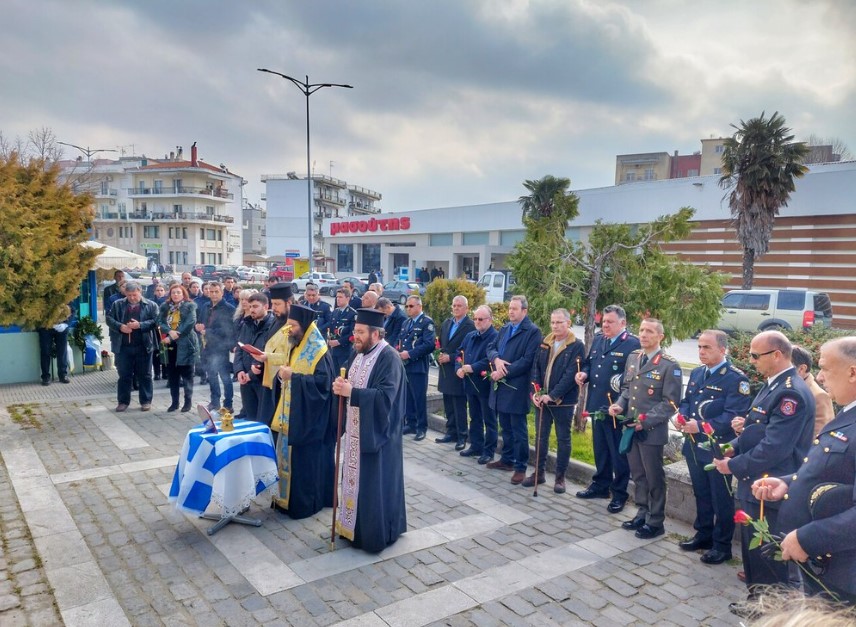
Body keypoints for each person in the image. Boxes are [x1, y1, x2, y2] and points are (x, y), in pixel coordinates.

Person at [712, 331, 814, 612]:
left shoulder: (790, 391)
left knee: (767, 558)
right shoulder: (774, 384)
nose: (751, 360)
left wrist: (732, 465)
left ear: (777, 355)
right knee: (753, 554)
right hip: (756, 483)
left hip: (769, 487)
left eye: (756, 356)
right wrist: (733, 446)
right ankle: (757, 602)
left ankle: (770, 612)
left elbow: (774, 447)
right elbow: (757, 429)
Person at [751, 337, 856, 605]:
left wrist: (808, 538)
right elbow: (833, 470)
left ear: (853, 372)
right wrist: (789, 483)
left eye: (825, 369)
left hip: (842, 573)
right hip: (825, 562)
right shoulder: (848, 412)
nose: (819, 377)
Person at [332, 308, 407, 552]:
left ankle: (374, 534)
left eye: (361, 332)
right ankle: (352, 528)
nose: (355, 337)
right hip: (357, 432)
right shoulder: (359, 353)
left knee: (374, 485)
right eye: (355, 332)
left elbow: (386, 398)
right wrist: (341, 385)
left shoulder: (389, 358)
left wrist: (351, 393)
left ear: (376, 334)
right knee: (355, 483)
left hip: (378, 436)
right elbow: (351, 383)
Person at [677, 330, 752, 564]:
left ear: (723, 349)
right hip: (693, 445)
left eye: (707, 347)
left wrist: (698, 426)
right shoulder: (699, 372)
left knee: (721, 497)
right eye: (699, 347)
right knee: (701, 492)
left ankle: (722, 545)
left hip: (718, 448)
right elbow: (687, 401)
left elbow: (733, 416)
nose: (701, 352)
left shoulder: (736, 379)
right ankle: (704, 534)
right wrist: (681, 417)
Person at [609, 318, 682, 539]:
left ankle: (656, 521)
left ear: (660, 336)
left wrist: (645, 420)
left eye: (649, 331)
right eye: (641, 330)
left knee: (654, 477)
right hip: (631, 427)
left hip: (651, 431)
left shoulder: (670, 365)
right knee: (638, 474)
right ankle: (642, 512)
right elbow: (626, 389)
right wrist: (618, 404)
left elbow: (670, 403)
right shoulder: (633, 357)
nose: (643, 335)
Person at [269, 304, 336, 519]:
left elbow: (323, 385)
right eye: (288, 324)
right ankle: (284, 501)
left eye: (293, 325)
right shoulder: (297, 343)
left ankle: (305, 504)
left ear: (305, 326)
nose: (288, 329)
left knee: (305, 462)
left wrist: (294, 378)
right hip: (293, 414)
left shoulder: (318, 350)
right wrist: (283, 376)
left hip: (310, 420)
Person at [575, 305, 641, 514]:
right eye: (603, 321)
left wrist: (623, 404)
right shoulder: (598, 339)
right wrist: (583, 374)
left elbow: (633, 379)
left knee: (617, 452)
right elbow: (588, 363)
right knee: (600, 447)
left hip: (617, 408)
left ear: (622, 323)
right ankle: (601, 485)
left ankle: (619, 493)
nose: (605, 325)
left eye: (610, 322)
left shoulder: (632, 344)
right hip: (597, 404)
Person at [485, 295, 542, 484]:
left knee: (518, 430)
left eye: (515, 309)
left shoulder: (532, 331)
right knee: (505, 427)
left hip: (516, 386)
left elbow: (527, 360)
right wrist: (496, 360)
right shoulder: (505, 328)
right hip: (501, 387)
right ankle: (507, 460)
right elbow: (491, 347)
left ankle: (520, 467)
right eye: (510, 308)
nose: (510, 311)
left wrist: (503, 372)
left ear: (524, 311)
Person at [528, 308, 586, 493]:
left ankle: (560, 477)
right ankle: (539, 472)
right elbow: (535, 367)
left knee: (563, 439)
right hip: (542, 400)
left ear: (568, 323)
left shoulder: (576, 345)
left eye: (559, 322)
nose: (555, 326)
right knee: (541, 437)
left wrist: (552, 395)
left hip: (563, 402)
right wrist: (536, 391)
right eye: (553, 322)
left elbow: (570, 375)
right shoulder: (545, 342)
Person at [106, 281, 159, 412]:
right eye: (129, 295)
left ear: (140, 292)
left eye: (134, 295)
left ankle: (146, 401)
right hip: (123, 346)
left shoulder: (151, 305)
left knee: (145, 375)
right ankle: (123, 401)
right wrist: (120, 327)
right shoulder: (118, 304)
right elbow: (109, 319)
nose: (132, 298)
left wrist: (140, 325)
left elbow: (157, 321)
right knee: (124, 375)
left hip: (144, 345)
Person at [456, 305, 499, 464]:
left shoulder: (495, 336)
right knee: (474, 416)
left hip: (485, 385)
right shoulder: (470, 335)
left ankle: (489, 451)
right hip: (469, 384)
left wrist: (472, 367)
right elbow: (459, 354)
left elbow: (490, 359)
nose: (477, 322)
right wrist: (458, 368)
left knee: (489, 419)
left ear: (490, 319)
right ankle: (476, 445)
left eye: (481, 319)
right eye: (475, 319)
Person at [436, 296, 476, 450]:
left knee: (459, 404)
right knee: (448, 402)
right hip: (445, 369)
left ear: (466, 308)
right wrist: (441, 354)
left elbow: (467, 350)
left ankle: (462, 435)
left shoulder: (470, 326)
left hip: (458, 369)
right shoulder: (447, 323)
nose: (456, 308)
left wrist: (451, 358)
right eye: (454, 305)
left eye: (459, 305)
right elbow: (443, 343)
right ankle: (451, 431)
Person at [252, 283, 293, 427]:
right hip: (270, 379)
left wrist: (267, 357)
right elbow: (270, 347)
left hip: (285, 384)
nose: (273, 308)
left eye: (277, 304)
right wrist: (260, 362)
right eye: (272, 304)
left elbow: (293, 356)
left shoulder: (296, 324)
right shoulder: (278, 319)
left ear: (289, 303)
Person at [157, 284, 199, 412]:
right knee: (172, 374)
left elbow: (190, 322)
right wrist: (169, 332)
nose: (175, 295)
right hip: (170, 344)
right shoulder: (165, 307)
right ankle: (174, 402)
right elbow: (159, 322)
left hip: (186, 343)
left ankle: (187, 402)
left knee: (187, 375)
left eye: (178, 292)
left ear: (183, 294)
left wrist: (176, 333)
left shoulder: (189, 306)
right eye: (173, 293)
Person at [399, 295, 435, 441]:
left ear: (419, 306)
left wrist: (410, 354)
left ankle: (421, 427)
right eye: (406, 306)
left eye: (411, 306)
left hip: (418, 366)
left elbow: (429, 345)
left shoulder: (427, 322)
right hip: (405, 365)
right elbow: (401, 341)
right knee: (407, 396)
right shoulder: (406, 322)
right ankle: (411, 423)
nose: (408, 309)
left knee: (419, 398)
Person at [196, 281, 236, 411]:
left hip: (222, 347)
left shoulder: (229, 308)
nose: (213, 294)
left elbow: (229, 330)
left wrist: (208, 331)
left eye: (216, 292)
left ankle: (228, 404)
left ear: (222, 292)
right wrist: (198, 327)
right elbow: (201, 323)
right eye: (210, 291)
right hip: (207, 347)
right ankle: (215, 401)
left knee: (225, 377)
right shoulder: (205, 306)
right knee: (211, 376)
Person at [234, 293, 274, 423]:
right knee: (250, 418)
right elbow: (240, 348)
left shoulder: (272, 326)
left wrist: (251, 374)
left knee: (263, 420)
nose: (251, 309)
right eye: (250, 306)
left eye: (255, 306)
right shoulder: (247, 324)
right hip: (245, 379)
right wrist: (239, 371)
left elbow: (267, 353)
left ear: (266, 306)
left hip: (262, 380)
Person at [791, 345, 835, 436]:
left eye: (786, 368)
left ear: (801, 369)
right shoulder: (783, 388)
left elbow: (818, 436)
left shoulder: (818, 396)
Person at [38, 303, 76, 385]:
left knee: (62, 351)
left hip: (61, 326)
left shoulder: (64, 293)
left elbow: (72, 310)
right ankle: (45, 376)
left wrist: (66, 324)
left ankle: (63, 374)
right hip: (46, 327)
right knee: (45, 351)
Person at [328, 287, 357, 371]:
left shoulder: (352, 314)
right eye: (337, 297)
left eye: (340, 297)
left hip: (344, 350)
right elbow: (331, 328)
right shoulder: (335, 312)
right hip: (333, 350)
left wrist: (339, 342)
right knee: (333, 373)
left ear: (347, 298)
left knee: (343, 373)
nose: (338, 299)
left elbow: (352, 334)